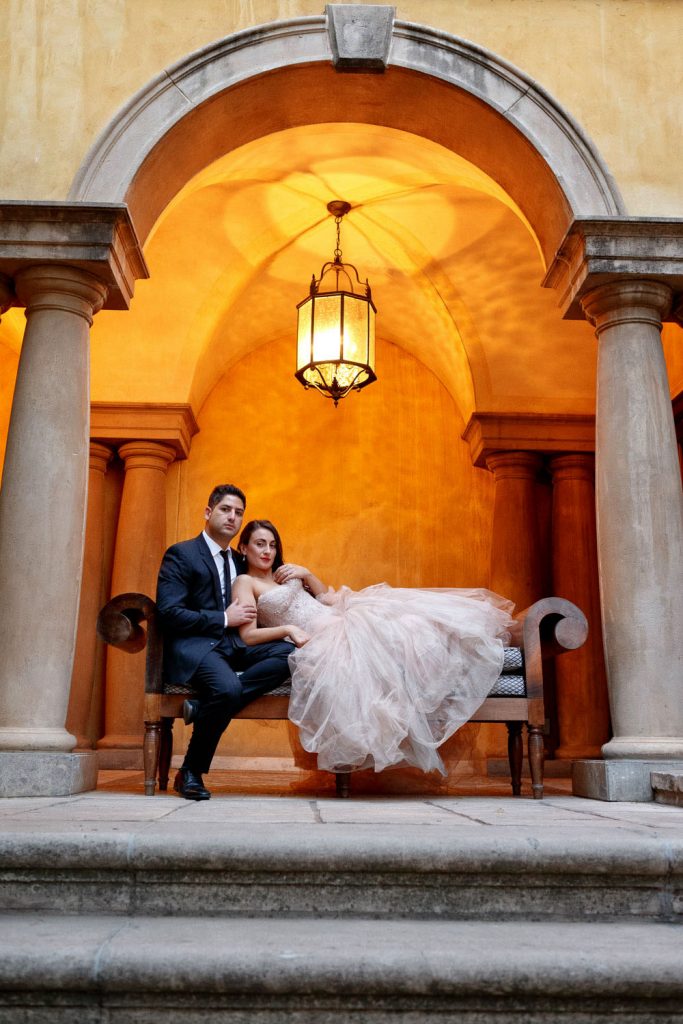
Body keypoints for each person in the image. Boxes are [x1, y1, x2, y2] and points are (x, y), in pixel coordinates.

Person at [232, 519, 515, 776]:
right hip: (318, 638)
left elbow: (323, 597)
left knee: (411, 625)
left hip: (338, 614)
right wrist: (288, 630)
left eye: (272, 544)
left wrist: (306, 573)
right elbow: (249, 635)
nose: (267, 550)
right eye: (259, 544)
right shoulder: (245, 582)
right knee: (366, 659)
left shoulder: (286, 573)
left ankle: (449, 671)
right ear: (244, 547)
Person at [155, 486, 294, 800]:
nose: (233, 517)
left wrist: (302, 574)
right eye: (226, 509)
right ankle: (191, 771)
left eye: (239, 512)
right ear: (208, 513)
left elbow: (269, 584)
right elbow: (168, 612)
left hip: (237, 647)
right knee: (227, 689)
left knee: (288, 652)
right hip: (198, 647)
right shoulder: (182, 554)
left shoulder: (240, 560)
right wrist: (222, 619)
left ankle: (205, 707)